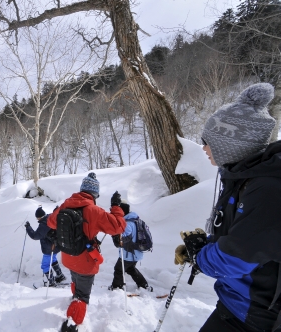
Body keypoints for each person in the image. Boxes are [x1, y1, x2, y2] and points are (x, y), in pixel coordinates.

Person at [174, 83, 281, 332]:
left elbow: (236, 258)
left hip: (257, 317)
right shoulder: (243, 178)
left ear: (231, 143)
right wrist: (206, 245)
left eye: (207, 141)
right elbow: (242, 239)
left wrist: (200, 257)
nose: (203, 147)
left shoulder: (268, 189)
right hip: (238, 304)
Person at [46, 172, 126, 332]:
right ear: (95, 194)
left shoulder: (65, 205)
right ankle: (71, 324)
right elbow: (118, 226)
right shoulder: (94, 210)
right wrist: (116, 207)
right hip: (85, 261)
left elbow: (50, 222)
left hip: (68, 257)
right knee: (84, 295)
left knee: (76, 280)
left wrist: (57, 210)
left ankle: (75, 298)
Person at [109, 201, 152, 292]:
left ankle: (117, 287)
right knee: (130, 269)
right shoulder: (136, 220)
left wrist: (114, 234)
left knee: (118, 270)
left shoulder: (127, 224)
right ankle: (143, 285)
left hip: (128, 254)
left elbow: (122, 241)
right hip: (136, 253)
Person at [25, 206, 66, 287]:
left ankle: (51, 282)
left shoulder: (44, 224)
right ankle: (60, 276)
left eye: (37, 218)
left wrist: (28, 227)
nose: (37, 220)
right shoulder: (50, 217)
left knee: (45, 265)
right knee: (53, 259)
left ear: (39, 217)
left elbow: (35, 236)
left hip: (49, 247)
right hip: (56, 245)